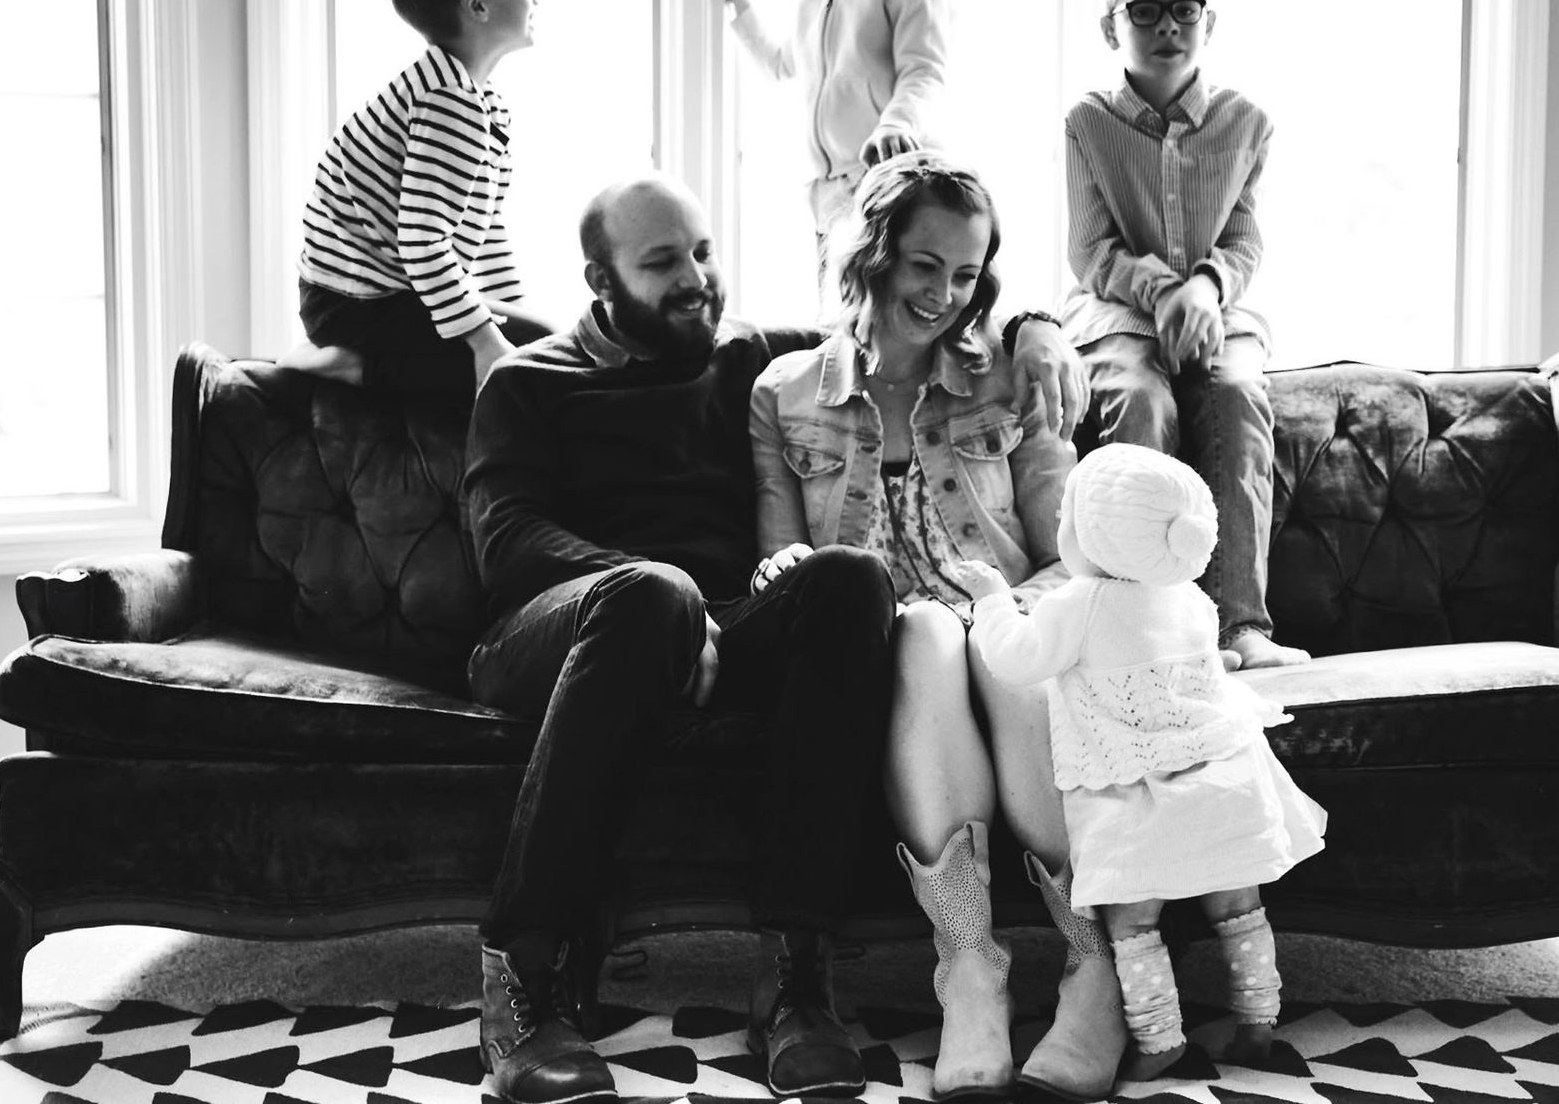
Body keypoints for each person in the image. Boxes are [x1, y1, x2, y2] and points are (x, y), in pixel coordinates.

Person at [462, 171, 1086, 1104]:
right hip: (570, 631)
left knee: (847, 577)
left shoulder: (743, 360)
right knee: (652, 596)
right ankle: (520, 982)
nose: (696, 278)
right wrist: (671, 603)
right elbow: (508, 545)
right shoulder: (528, 382)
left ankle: (796, 980)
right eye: (662, 262)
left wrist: (1037, 321)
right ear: (600, 279)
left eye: (704, 252)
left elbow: (902, 327)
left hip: (712, 636)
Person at [749, 153, 1126, 1103]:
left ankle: (1094, 963)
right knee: (923, 635)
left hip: (1013, 628)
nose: (946, 295)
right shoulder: (785, 392)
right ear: (874, 255)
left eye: (967, 275)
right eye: (925, 266)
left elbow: (1069, 551)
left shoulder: (1008, 375)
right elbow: (781, 563)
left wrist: (1037, 326)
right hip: (886, 649)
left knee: (994, 642)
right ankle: (969, 969)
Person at [957, 443, 1328, 1079]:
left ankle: (1159, 1039)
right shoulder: (1189, 596)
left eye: (1067, 516)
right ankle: (1259, 1018)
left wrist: (992, 601)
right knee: (1241, 910)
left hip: (1138, 794)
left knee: (1133, 924)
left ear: (1094, 535)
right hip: (1225, 777)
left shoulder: (1080, 602)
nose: (1059, 527)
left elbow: (1018, 661)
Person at [1061, 0, 1308, 668]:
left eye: (1184, 10)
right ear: (1113, 26)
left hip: (1219, 308)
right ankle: (1150, 627)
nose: (1167, 26)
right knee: (1141, 401)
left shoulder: (1246, 123)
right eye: (1145, 11)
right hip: (1118, 309)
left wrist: (1204, 286)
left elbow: (1245, 241)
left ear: (1208, 20)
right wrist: (1163, 290)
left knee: (1236, 398)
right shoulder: (1087, 123)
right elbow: (1090, 250)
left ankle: (1241, 627)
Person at [281, 0, 555, 404]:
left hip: (373, 296)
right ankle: (351, 364)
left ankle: (364, 355)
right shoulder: (448, 102)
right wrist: (488, 340)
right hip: (354, 304)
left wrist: (512, 315)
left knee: (538, 344)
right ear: (477, 5)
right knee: (516, 361)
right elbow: (423, 242)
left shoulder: (478, 100)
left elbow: (484, 226)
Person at [713, 0, 951, 302]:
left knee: (882, 309)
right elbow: (784, 63)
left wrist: (895, 124)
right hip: (827, 191)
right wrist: (743, 6)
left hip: (885, 182)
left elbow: (925, 72)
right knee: (838, 311)